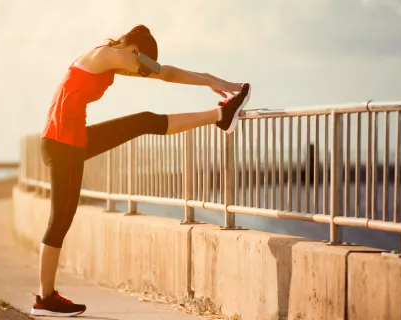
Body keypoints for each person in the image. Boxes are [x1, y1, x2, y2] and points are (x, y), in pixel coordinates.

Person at [31, 24, 251, 317]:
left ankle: (220, 116)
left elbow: (162, 71)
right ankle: (46, 298)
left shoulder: (106, 60)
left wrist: (210, 79)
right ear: (135, 50)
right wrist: (209, 79)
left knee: (144, 122)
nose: (141, 67)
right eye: (141, 59)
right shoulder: (111, 55)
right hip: (64, 143)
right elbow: (165, 72)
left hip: (69, 139)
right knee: (61, 218)